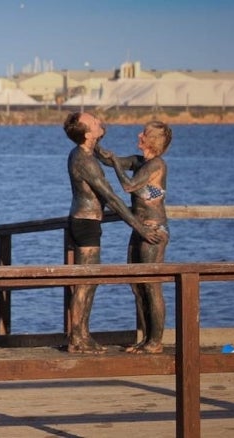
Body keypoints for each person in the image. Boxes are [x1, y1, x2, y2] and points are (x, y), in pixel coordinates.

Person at [63, 112, 163, 354]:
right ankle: (78, 338)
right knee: (86, 283)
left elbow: (107, 156)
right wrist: (139, 227)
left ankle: (83, 336)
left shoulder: (85, 152)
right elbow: (112, 198)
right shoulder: (84, 161)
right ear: (87, 134)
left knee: (90, 281)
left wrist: (100, 146)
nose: (99, 121)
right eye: (94, 122)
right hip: (85, 224)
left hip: (88, 222)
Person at [96, 121, 172, 354]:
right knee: (137, 285)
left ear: (152, 141)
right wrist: (97, 143)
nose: (139, 135)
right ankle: (145, 339)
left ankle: (155, 342)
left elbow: (129, 186)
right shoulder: (140, 162)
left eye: (144, 133)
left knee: (151, 285)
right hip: (139, 229)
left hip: (154, 231)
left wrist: (118, 165)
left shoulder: (157, 165)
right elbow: (111, 161)